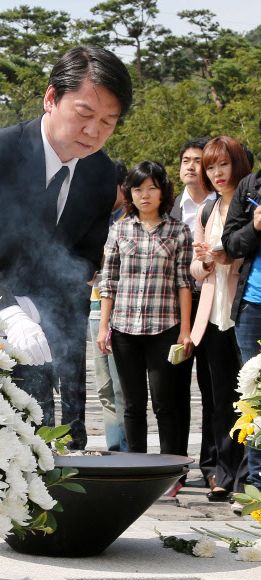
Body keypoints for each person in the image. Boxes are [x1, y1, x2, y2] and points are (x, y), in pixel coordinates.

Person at [0, 45, 132, 449]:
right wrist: (11, 309)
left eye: (108, 122)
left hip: (45, 321)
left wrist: (48, 307)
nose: (94, 131)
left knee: (39, 437)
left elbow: (82, 255)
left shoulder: (100, 173)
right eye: (84, 114)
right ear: (51, 98)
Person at [98, 160, 193, 455]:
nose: (145, 195)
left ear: (162, 192)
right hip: (125, 328)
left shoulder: (178, 231)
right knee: (132, 404)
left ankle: (171, 468)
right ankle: (135, 467)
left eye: (152, 188)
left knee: (166, 403)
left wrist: (185, 331)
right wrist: (104, 326)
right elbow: (109, 281)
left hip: (165, 327)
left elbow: (184, 284)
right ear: (130, 194)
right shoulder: (120, 230)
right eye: (138, 189)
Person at [190, 136, 251, 501]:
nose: (217, 173)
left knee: (248, 396)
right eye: (210, 167)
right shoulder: (207, 210)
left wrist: (229, 255)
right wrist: (207, 260)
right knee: (217, 397)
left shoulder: (248, 207)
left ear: (238, 164)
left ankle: (247, 474)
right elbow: (195, 270)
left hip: (244, 310)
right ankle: (222, 474)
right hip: (212, 314)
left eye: (223, 165)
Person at [169, 138, 217, 496]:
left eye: (197, 161)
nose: (190, 166)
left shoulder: (220, 206)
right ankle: (175, 468)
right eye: (185, 160)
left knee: (213, 389)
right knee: (174, 391)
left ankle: (213, 466)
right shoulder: (170, 208)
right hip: (176, 309)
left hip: (214, 305)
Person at [222, 123, 261, 492]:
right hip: (253, 306)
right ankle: (256, 487)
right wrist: (256, 225)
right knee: (253, 397)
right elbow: (230, 243)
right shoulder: (251, 187)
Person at [89, 160, 128, 452]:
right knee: (104, 388)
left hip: (125, 309)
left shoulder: (131, 221)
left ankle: (129, 451)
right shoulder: (94, 217)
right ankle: (115, 449)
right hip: (95, 306)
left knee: (122, 387)